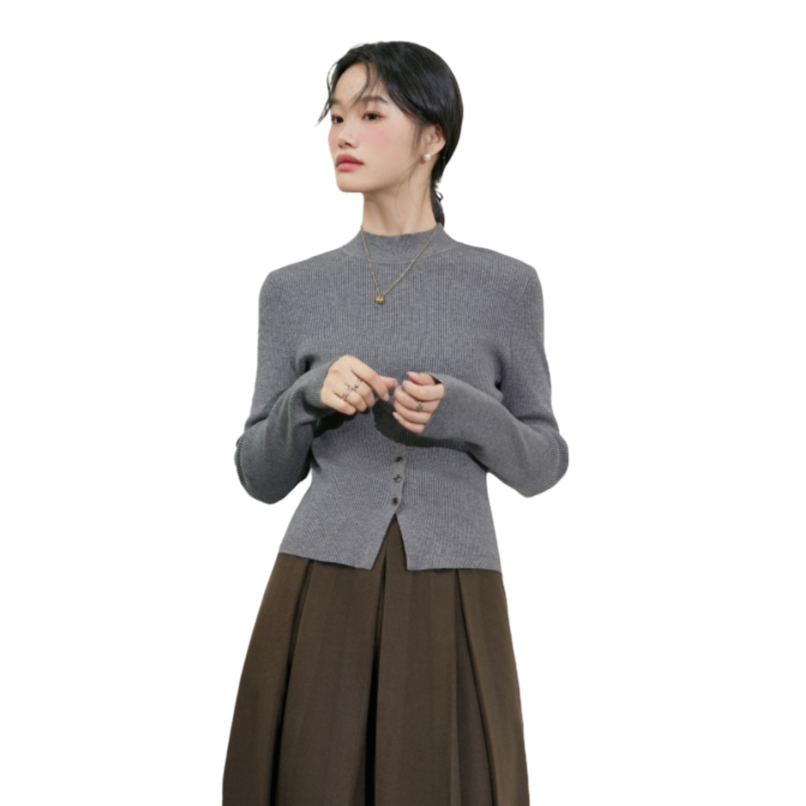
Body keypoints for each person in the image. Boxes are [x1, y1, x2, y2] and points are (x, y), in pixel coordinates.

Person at [223, 40, 569, 806]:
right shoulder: (292, 290)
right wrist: (307, 397)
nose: (343, 134)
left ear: (432, 137)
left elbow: (542, 461)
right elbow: (258, 475)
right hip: (319, 582)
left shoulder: (506, 286)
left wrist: (465, 411)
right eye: (335, 116)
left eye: (370, 114)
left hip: (453, 584)